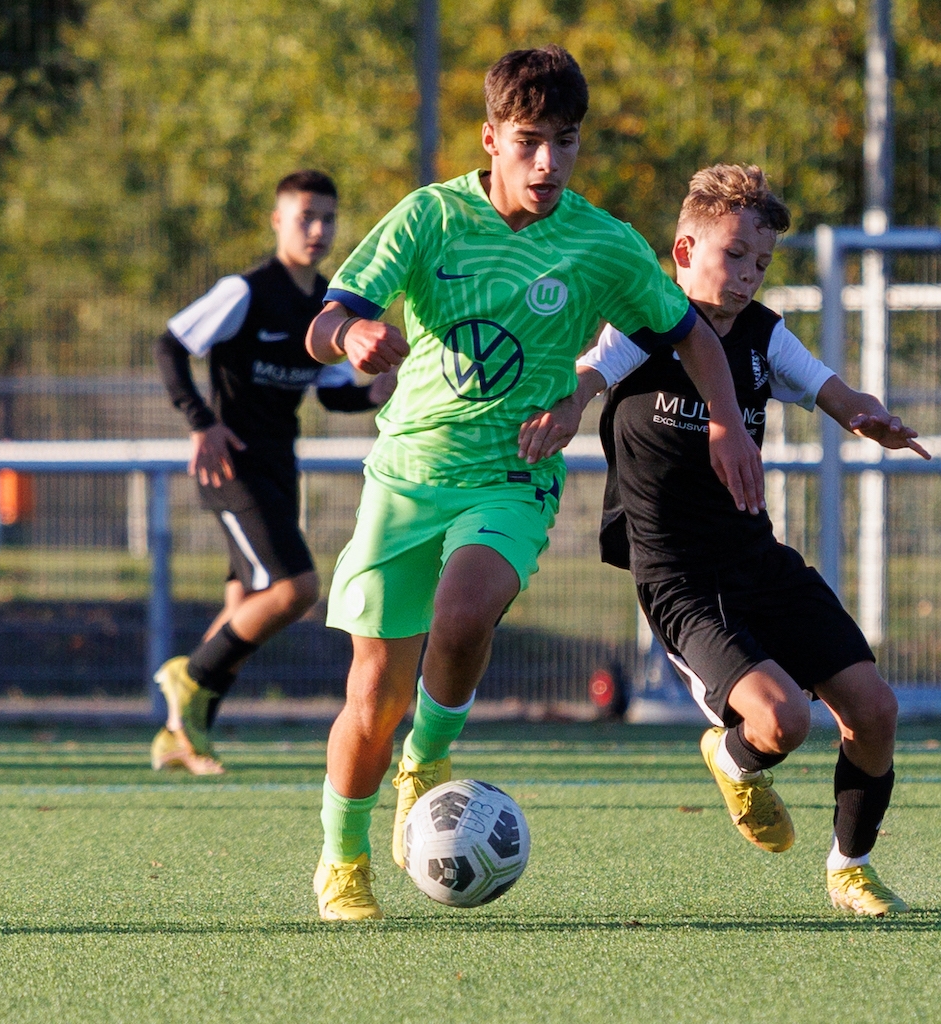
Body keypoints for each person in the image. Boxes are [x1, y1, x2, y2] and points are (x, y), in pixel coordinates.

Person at [304, 47, 766, 921]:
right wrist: (350, 338)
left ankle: (426, 763)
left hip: (512, 478)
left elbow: (689, 333)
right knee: (373, 695)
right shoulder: (430, 218)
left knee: (465, 612)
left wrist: (726, 422)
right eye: (529, 142)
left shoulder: (599, 243)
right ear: (491, 140)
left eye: (566, 141)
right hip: (406, 476)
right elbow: (330, 318)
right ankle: (343, 860)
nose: (549, 162)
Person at [572, 163, 930, 916]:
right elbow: (589, 376)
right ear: (683, 250)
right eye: (733, 254)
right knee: (782, 721)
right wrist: (557, 409)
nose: (746, 276)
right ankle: (734, 758)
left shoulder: (765, 334)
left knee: (874, 711)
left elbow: (833, 392)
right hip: (678, 578)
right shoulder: (642, 324)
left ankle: (851, 868)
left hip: (758, 559)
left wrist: (870, 418)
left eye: (760, 263)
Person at [151, 169, 394, 775]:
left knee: (245, 601)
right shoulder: (246, 291)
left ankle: (182, 736)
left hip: (280, 465)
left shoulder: (329, 306)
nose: (317, 230)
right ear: (277, 221)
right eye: (305, 217)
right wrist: (201, 422)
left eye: (328, 219)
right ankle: (188, 677)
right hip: (231, 464)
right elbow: (170, 345)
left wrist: (375, 391)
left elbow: (332, 393)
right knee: (295, 589)